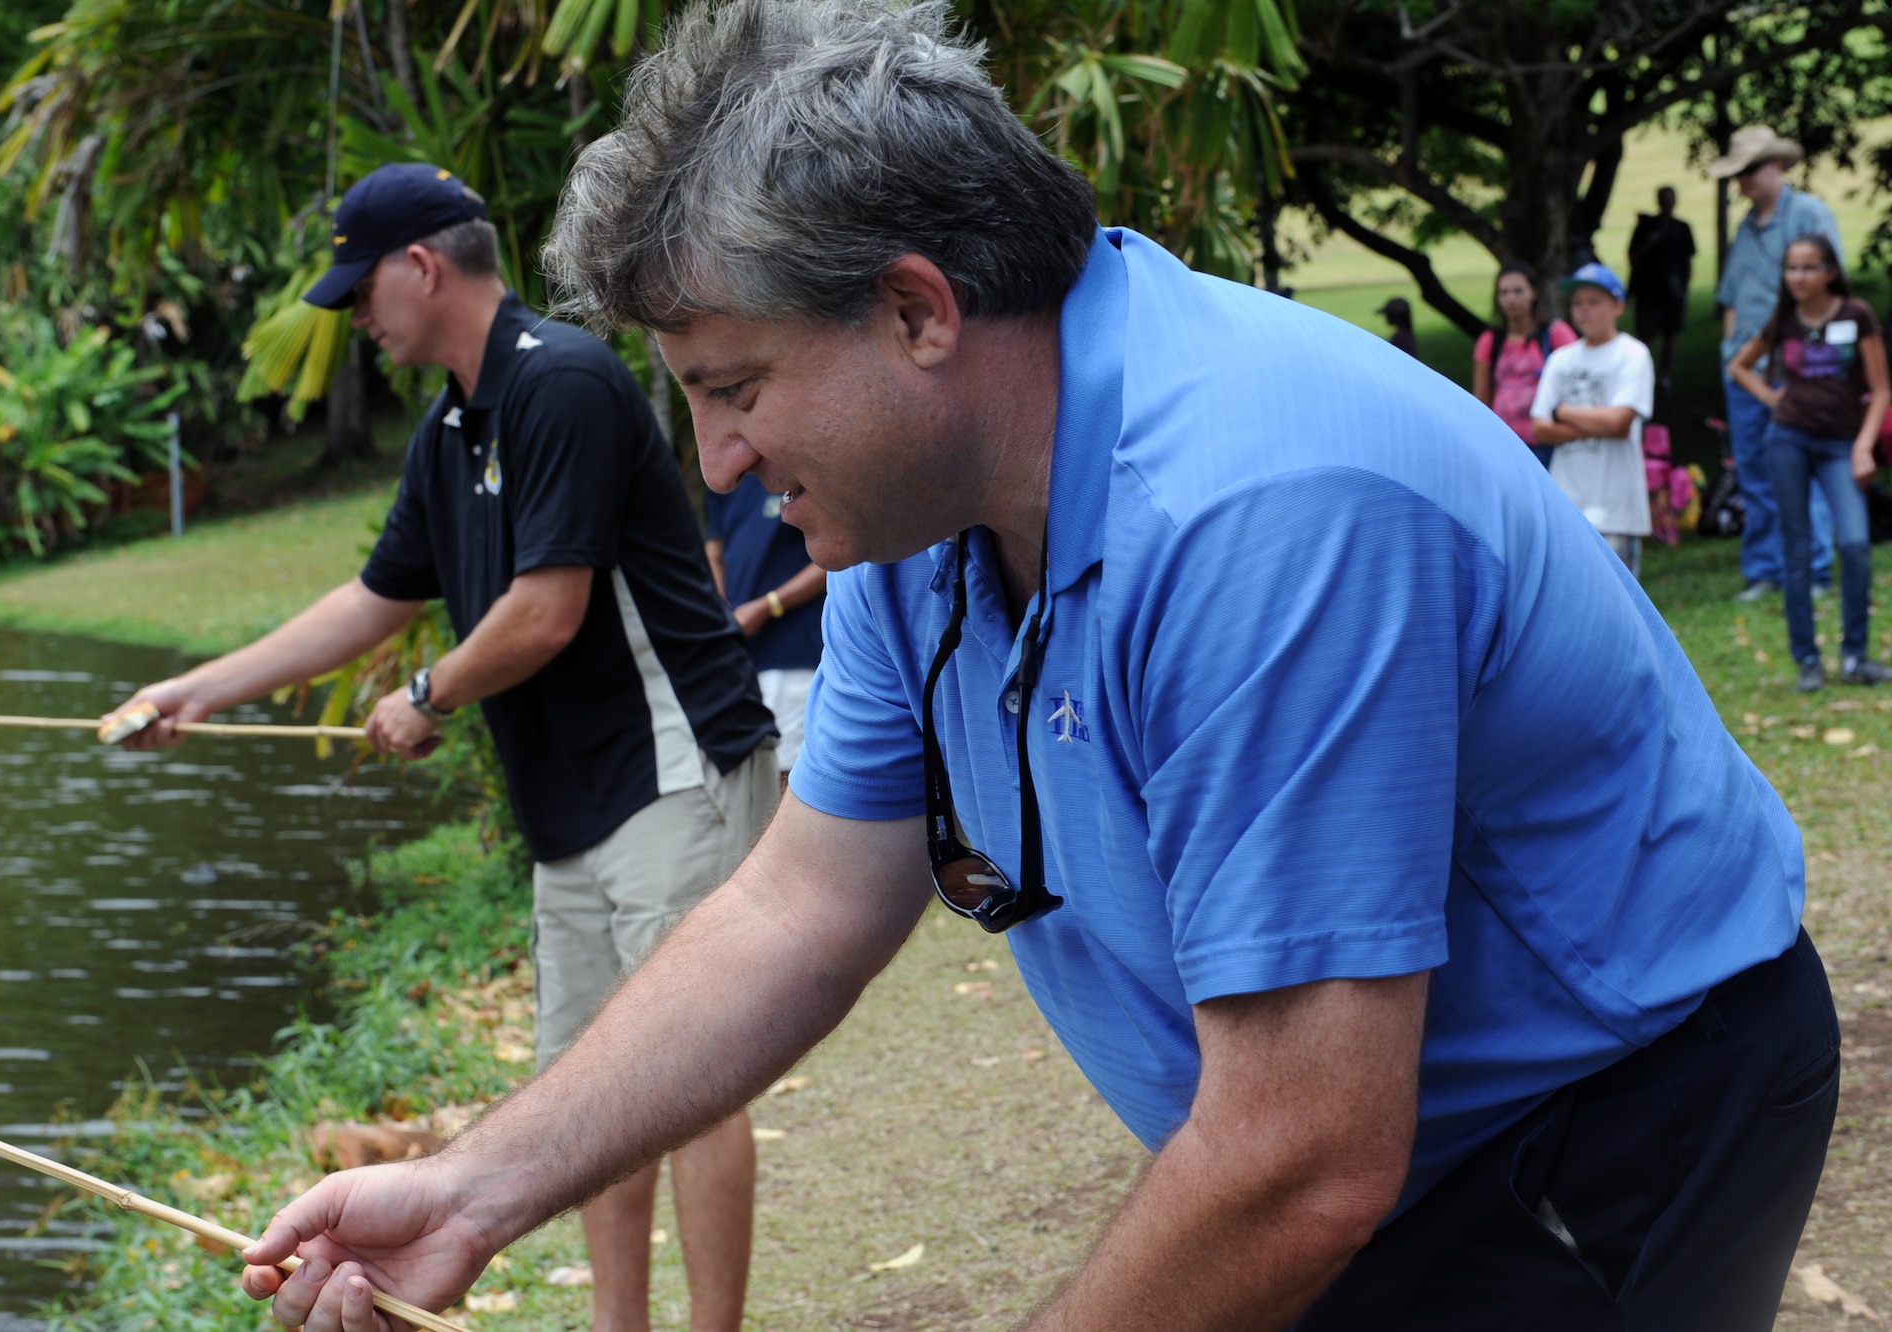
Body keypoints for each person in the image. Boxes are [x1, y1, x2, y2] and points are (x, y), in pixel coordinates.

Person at [236, 6, 1833, 1329]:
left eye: (734, 389)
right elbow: (801, 906)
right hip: (1351, 1140)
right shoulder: (912, 512)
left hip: (1603, 1122)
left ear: (918, 312)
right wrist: (473, 1185)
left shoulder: (1263, 513)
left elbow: (1303, 1158)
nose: (719, 462)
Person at [109, 162, 779, 1332]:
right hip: (572, 808)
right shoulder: (449, 429)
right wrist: (198, 691)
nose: (353, 319)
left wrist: (428, 691)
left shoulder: (558, 381)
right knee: (591, 1104)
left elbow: (546, 607)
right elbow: (369, 601)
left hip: (673, 768)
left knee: (688, 1087)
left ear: (421, 266)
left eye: (359, 290)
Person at [1728, 234, 1892, 692]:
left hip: (1841, 445)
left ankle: (1856, 655)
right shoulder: (1784, 318)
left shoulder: (1856, 315)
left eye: (1808, 267)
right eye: (1791, 268)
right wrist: (1771, 398)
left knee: (1856, 545)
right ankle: (1808, 660)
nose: (1798, 277)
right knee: (1797, 550)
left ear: (1830, 271)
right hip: (1789, 441)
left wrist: (1863, 446)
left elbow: (1880, 391)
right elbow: (1741, 365)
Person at [1712, 124, 1843, 603]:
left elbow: (1830, 292)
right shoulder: (1745, 227)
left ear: (1776, 166)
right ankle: (1767, 569)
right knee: (1754, 466)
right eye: (1738, 173)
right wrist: (1731, 352)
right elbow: (1730, 297)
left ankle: (1816, 569)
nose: (1744, 181)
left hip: (1792, 366)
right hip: (1744, 370)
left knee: (1801, 462)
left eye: (1750, 170)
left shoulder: (1809, 215)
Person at [1531, 263, 1656, 578]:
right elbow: (1540, 428)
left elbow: (1619, 422)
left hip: (1616, 506)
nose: (1584, 310)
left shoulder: (1632, 354)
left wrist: (1565, 412)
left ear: (1618, 306)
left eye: (1593, 301)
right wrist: (1596, 420)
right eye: (1577, 303)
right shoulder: (1561, 359)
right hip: (1567, 502)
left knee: (1620, 603)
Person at [706, 482, 827, 776]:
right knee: (751, 776)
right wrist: (724, 616)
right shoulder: (726, 476)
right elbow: (714, 550)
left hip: (794, 654)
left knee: (793, 776)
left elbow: (834, 556)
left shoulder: (801, 463)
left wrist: (768, 605)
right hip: (739, 656)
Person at [1472, 261, 1578, 468]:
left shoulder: (1555, 334)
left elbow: (1578, 383)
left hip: (1549, 444)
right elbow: (1481, 400)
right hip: (1505, 445)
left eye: (1518, 291)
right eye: (1504, 293)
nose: (1511, 299)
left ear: (1534, 293)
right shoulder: (1490, 340)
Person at [1627, 186, 1696, 388]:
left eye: (1670, 199)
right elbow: (1633, 255)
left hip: (1673, 292)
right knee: (1645, 336)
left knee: (1671, 335)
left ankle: (1665, 378)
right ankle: (1644, 377)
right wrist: (1651, 242)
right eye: (1663, 199)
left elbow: (1688, 260)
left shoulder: (1682, 228)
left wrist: (1683, 287)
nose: (1667, 203)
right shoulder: (1646, 226)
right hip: (1648, 290)